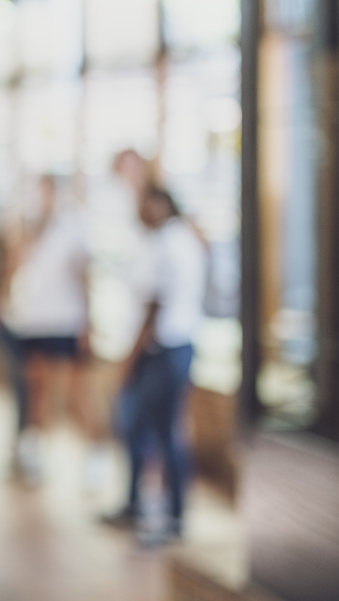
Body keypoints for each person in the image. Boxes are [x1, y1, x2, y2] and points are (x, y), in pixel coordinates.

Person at [106, 184, 205, 545]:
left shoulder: (168, 242)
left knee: (159, 433)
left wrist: (129, 362)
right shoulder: (178, 238)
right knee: (147, 430)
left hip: (164, 350)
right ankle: (144, 506)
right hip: (172, 347)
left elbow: (154, 306)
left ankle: (169, 515)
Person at [1, 175, 101, 485]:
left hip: (66, 320)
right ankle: (36, 453)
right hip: (33, 320)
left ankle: (95, 455)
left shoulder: (72, 228)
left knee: (75, 393)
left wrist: (88, 321)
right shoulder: (25, 232)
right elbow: (12, 270)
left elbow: (84, 276)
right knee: (36, 388)